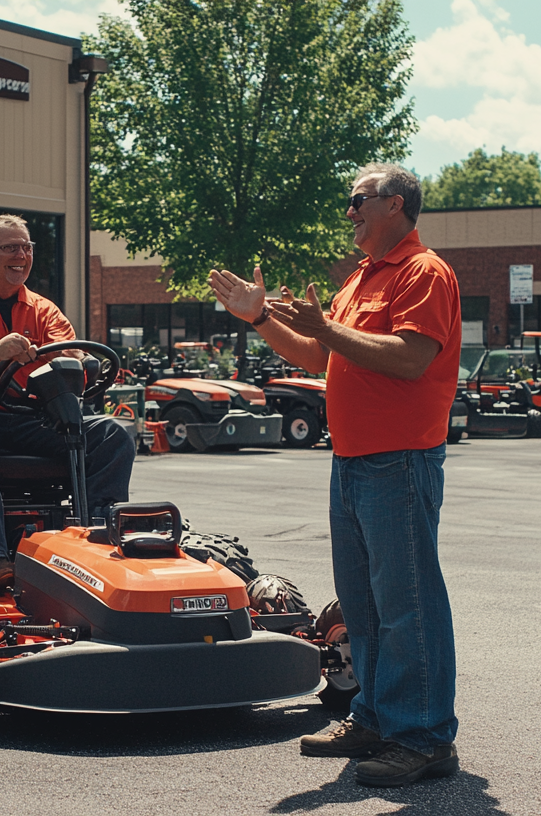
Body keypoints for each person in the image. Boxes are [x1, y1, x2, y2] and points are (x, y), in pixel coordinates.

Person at [208, 164, 462, 788]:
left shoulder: (424, 273)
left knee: (408, 607)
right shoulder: (362, 278)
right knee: (366, 605)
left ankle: (424, 738)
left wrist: (326, 327)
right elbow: (321, 354)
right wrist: (261, 318)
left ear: (395, 205)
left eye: (357, 200)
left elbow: (410, 358)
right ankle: (374, 717)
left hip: (398, 460)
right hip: (352, 461)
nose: (347, 211)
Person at [0, 214, 135, 595]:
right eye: (10, 247)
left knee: (112, 434)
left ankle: (102, 536)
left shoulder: (43, 310)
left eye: (26, 247)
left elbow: (67, 353)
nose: (21, 255)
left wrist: (82, 366)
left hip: (25, 417)